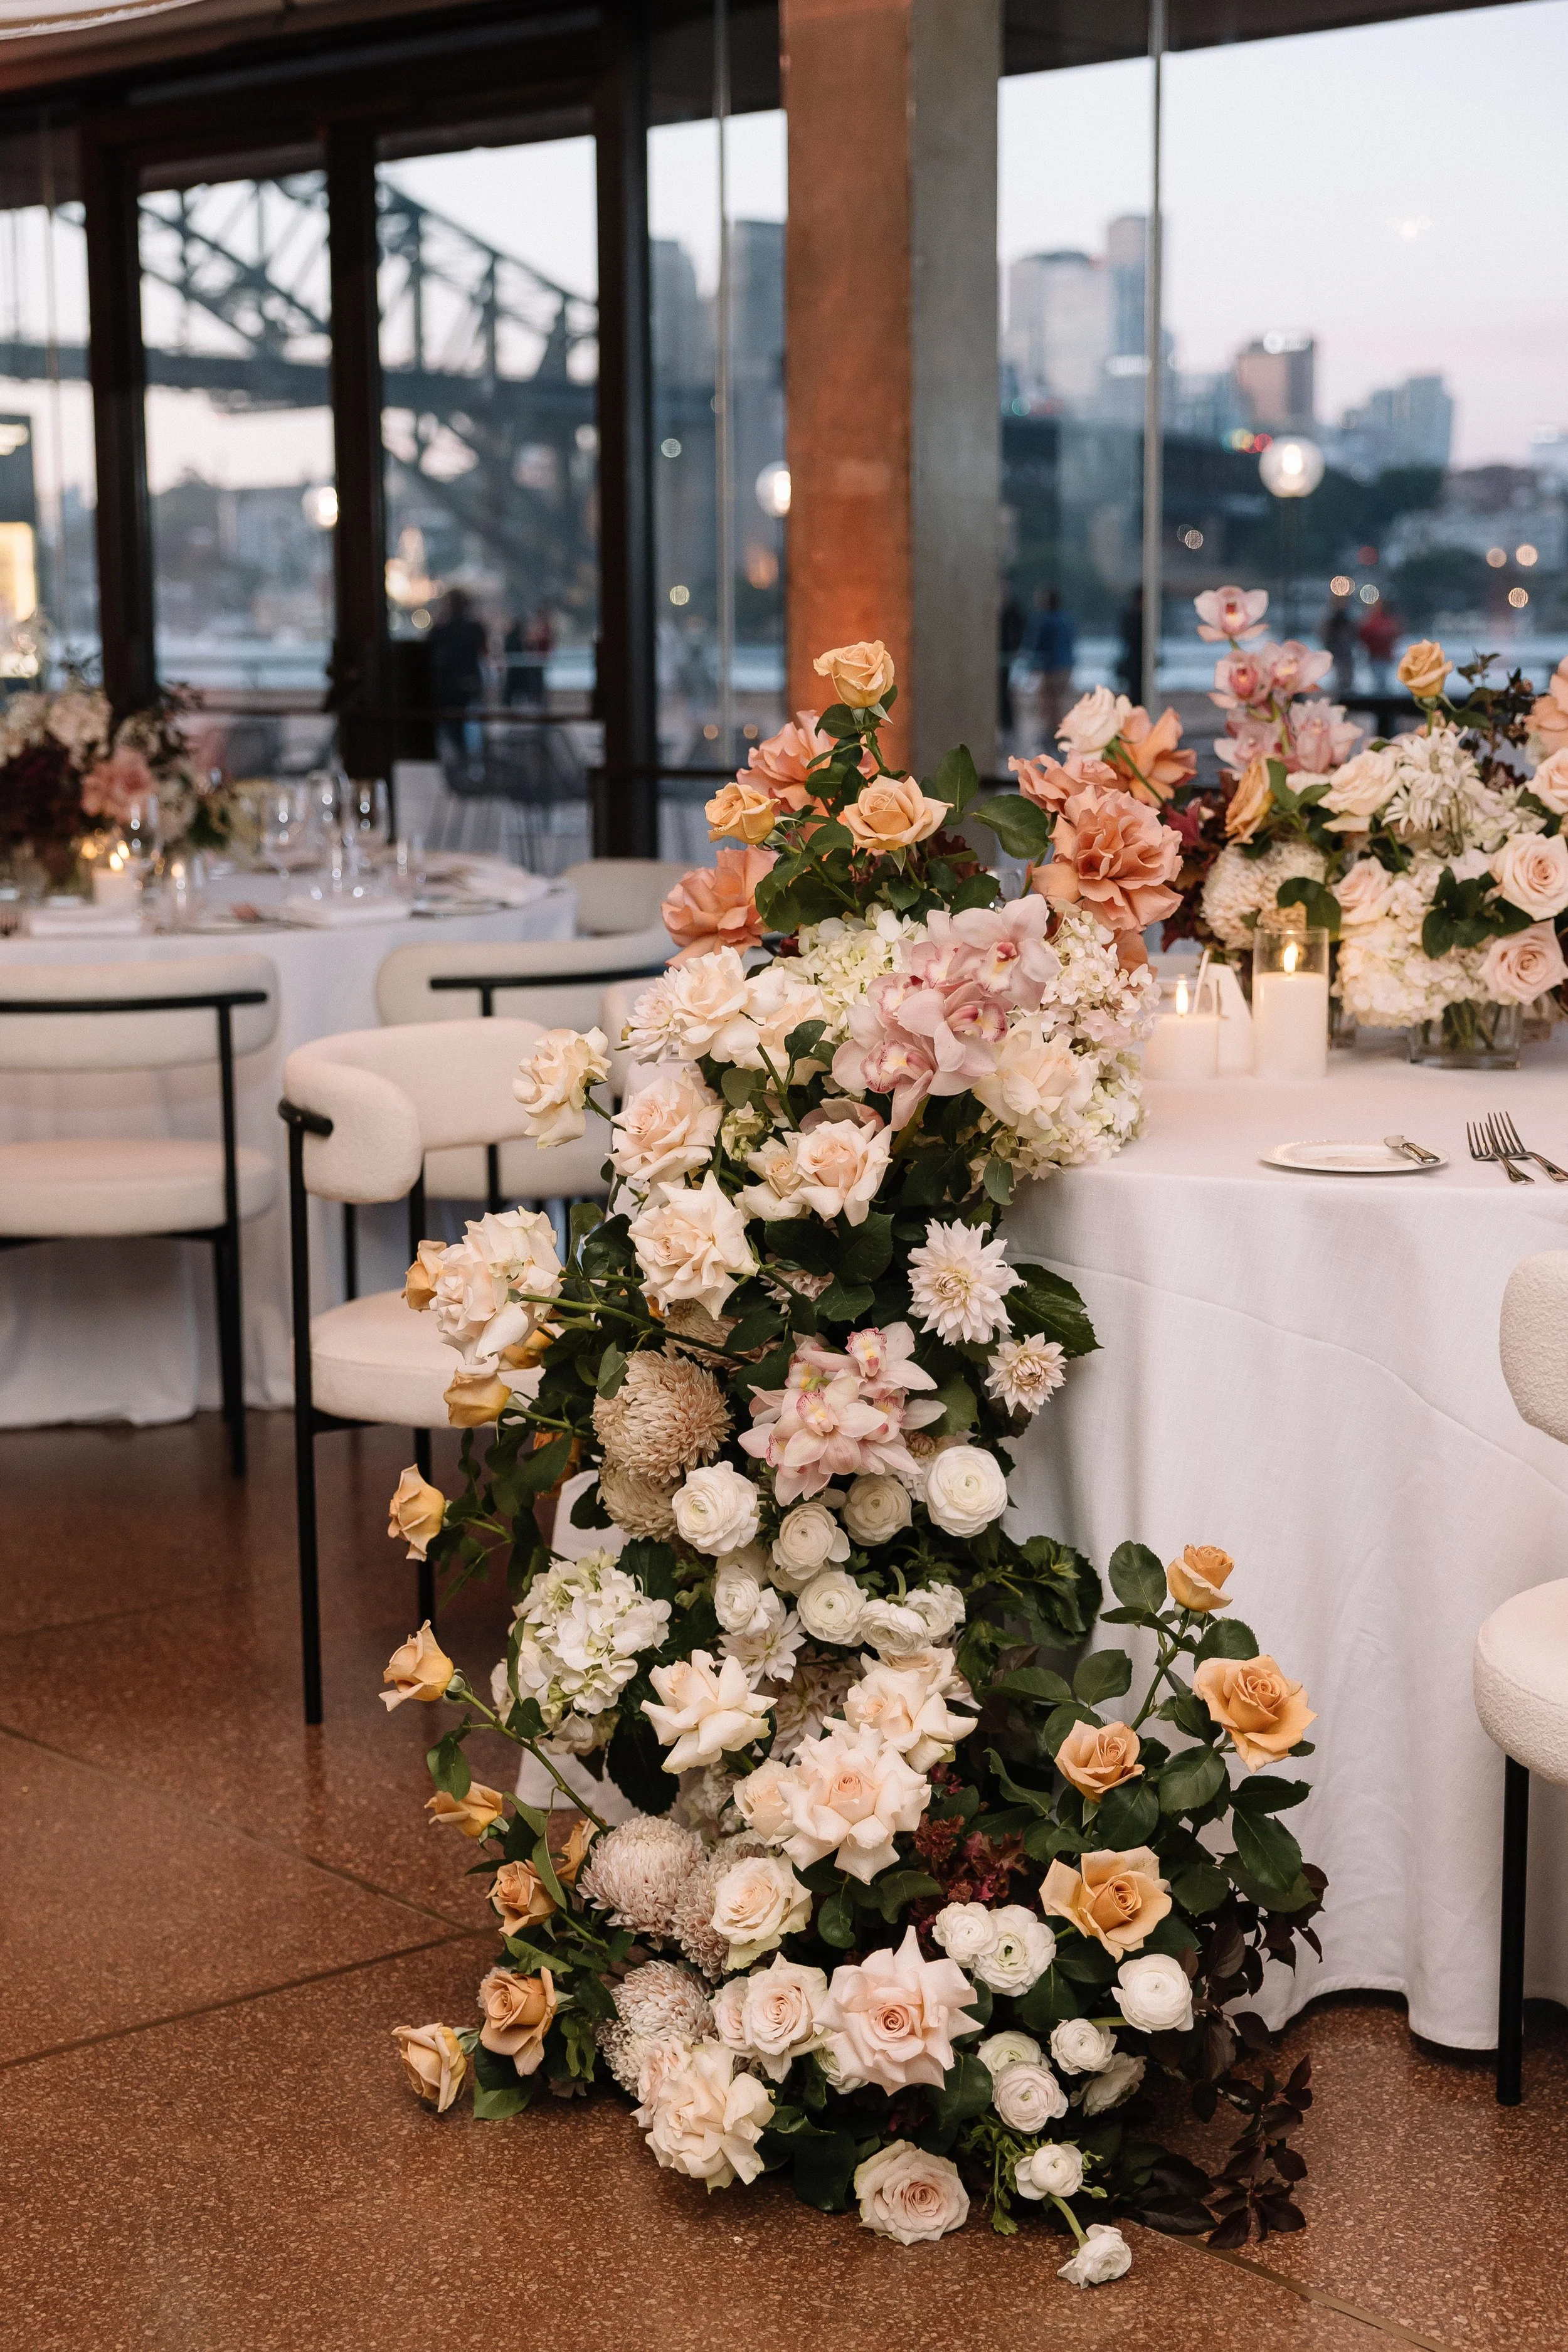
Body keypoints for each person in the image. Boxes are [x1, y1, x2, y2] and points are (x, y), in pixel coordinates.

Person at [429, 586, 489, 776]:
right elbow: (483, 651)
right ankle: (473, 770)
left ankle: (459, 771)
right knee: (473, 734)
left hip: (446, 692)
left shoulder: (440, 631)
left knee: (454, 735)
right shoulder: (475, 629)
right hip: (469, 689)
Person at [1020, 588, 1076, 744]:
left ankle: (1053, 734)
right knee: (1060, 700)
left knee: (1049, 701)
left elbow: (1035, 644)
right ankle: (1060, 732)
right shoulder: (1066, 620)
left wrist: (1031, 665)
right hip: (1066, 667)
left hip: (1050, 667)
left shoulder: (1043, 621)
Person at [997, 585, 1025, 745]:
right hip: (1003, 658)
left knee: (1004, 693)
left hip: (1006, 658)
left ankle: (1007, 727)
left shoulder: (1012, 614)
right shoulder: (1006, 615)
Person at [1358, 596, 1401, 694]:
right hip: (1376, 655)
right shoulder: (1376, 620)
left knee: (1382, 681)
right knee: (1380, 682)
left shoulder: (1386, 621)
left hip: (1383, 656)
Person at [1322, 589, 1359, 699]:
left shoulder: (1347, 617)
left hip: (1345, 652)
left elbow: (1354, 633)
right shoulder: (1333, 619)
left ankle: (1347, 697)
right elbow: (1326, 634)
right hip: (1338, 652)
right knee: (1341, 679)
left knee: (1347, 679)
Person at [1116, 585, 1144, 703]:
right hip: (1136, 662)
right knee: (1136, 693)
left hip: (1137, 661)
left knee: (1137, 693)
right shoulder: (1135, 618)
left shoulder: (1131, 617)